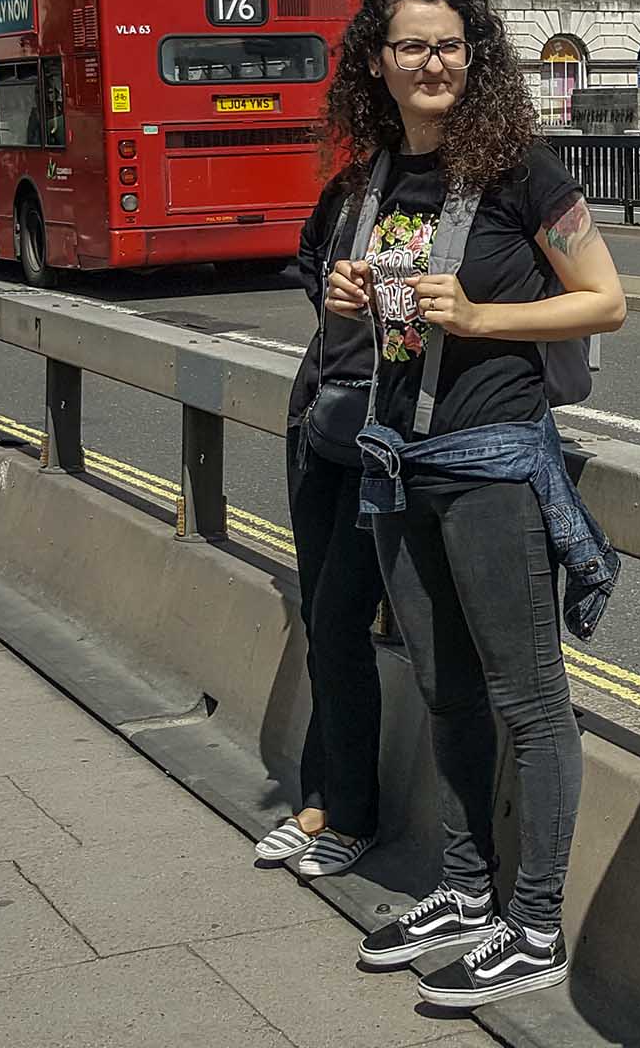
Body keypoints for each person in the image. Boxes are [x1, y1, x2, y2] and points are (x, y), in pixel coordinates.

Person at [321, 0, 626, 1008]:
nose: (432, 60)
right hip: (392, 460)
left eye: (449, 43)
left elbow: (604, 302)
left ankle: (533, 922)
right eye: (411, 44)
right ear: (379, 61)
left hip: (491, 458)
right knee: (444, 689)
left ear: (474, 56)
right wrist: (340, 295)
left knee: (529, 701)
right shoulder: (368, 182)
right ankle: (462, 887)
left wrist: (481, 318)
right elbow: (346, 326)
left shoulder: (521, 172)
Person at [252, 166, 391, 881]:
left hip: (391, 435)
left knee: (339, 618)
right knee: (319, 614)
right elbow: (312, 254)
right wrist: (337, 314)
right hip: (322, 418)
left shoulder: (455, 193)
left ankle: (354, 813)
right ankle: (319, 798)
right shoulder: (351, 187)